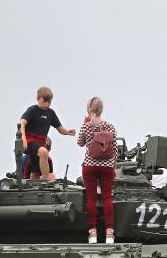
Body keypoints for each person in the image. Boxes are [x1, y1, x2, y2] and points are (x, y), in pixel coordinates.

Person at [76, 97, 117, 243]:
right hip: (107, 167)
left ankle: (92, 233)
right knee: (107, 198)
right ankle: (109, 234)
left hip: (90, 166)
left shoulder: (86, 126)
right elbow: (115, 149)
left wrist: (85, 122)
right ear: (102, 110)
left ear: (89, 110)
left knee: (91, 199)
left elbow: (80, 142)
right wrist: (113, 166)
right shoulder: (111, 127)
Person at [19, 86, 75, 181]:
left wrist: (67, 132)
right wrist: (23, 138)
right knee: (44, 152)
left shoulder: (51, 113)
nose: (47, 104)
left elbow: (60, 129)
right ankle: (46, 179)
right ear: (38, 99)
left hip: (40, 143)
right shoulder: (32, 110)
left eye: (49, 102)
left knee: (36, 172)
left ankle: (35, 184)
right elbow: (22, 123)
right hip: (29, 141)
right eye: (45, 101)